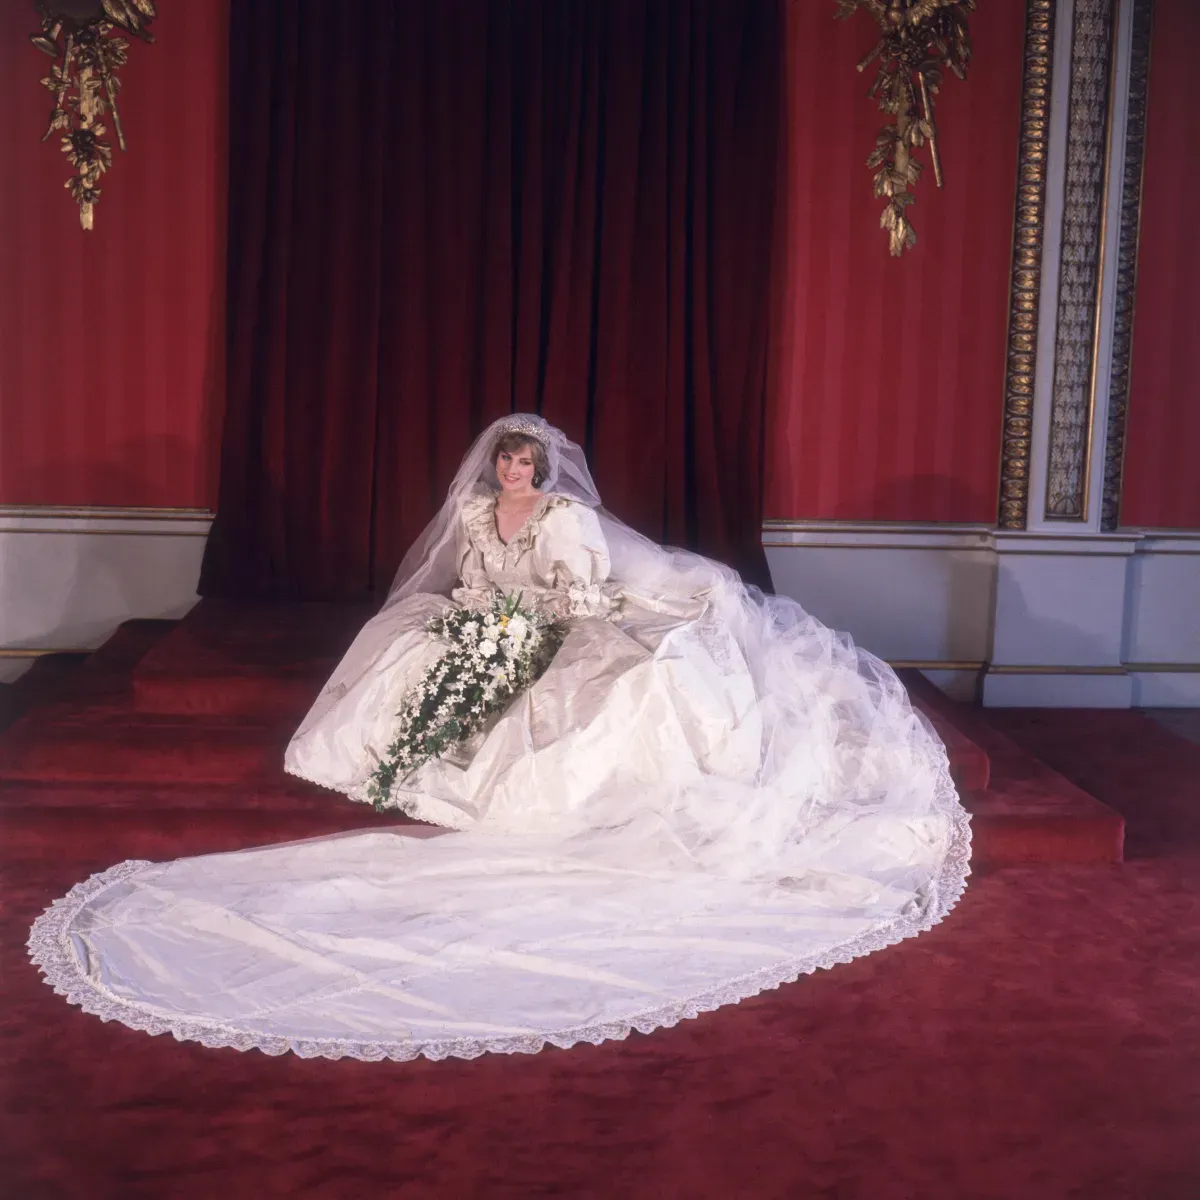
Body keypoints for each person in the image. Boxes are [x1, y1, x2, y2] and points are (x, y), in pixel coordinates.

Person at [29, 415, 970, 1063]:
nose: (512, 476)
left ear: (542, 471)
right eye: (504, 465)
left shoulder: (568, 519)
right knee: (405, 639)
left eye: (524, 465)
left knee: (601, 681)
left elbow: (580, 590)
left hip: (563, 616)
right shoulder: (479, 516)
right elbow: (473, 574)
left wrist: (531, 622)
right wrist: (480, 617)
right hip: (499, 619)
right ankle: (401, 758)